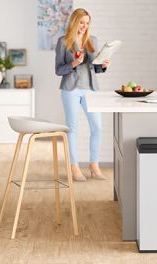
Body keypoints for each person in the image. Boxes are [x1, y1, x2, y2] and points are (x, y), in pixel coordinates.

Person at [55, 8, 109, 181]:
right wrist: (74, 63)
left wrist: (104, 64)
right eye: (81, 23)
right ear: (74, 22)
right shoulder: (63, 42)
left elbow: (96, 68)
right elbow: (58, 70)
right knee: (72, 128)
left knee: (97, 127)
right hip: (70, 89)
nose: (84, 26)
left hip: (90, 89)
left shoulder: (92, 40)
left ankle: (94, 165)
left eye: (87, 23)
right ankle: (74, 167)